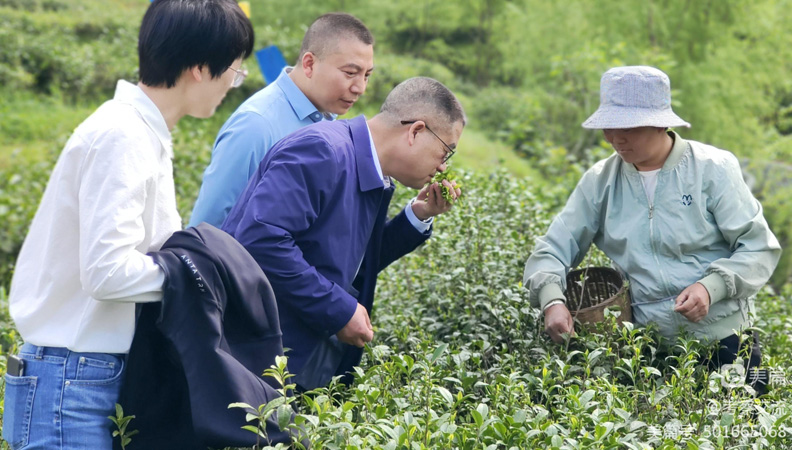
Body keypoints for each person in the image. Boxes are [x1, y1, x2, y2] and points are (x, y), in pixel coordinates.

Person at [2, 1, 254, 449]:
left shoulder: (141, 133)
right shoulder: (124, 136)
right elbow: (107, 271)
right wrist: (196, 275)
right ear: (199, 66)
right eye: (234, 72)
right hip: (70, 383)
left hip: (82, 376)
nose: (232, 86)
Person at [524, 66, 781, 390]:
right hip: (647, 351)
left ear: (661, 123)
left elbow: (758, 247)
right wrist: (552, 301)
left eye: (628, 127)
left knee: (743, 434)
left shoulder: (712, 169)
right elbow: (552, 248)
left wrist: (709, 288)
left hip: (726, 342)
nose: (616, 138)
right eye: (608, 128)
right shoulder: (601, 182)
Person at [222, 77, 465, 390]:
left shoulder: (373, 171)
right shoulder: (323, 151)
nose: (443, 167)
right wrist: (337, 309)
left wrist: (418, 216)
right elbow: (260, 240)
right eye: (446, 152)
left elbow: (353, 261)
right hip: (255, 355)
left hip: (295, 353)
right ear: (416, 131)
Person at [189, 12, 374, 228]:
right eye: (350, 73)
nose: (360, 88)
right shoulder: (256, 125)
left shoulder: (327, 118)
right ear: (309, 64)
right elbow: (207, 226)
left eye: (367, 75)